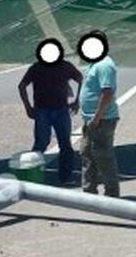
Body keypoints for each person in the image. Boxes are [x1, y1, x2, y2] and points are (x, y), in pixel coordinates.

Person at [17, 38, 83, 186]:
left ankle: (62, 176)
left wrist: (78, 100)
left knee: (57, 144)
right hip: (46, 110)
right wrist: (28, 107)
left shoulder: (63, 66)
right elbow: (21, 86)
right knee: (46, 143)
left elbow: (81, 79)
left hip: (56, 110)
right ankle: (38, 175)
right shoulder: (38, 67)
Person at [76, 31, 121, 198]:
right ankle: (89, 193)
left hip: (102, 120)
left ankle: (112, 195)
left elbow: (107, 92)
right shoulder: (93, 64)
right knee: (87, 154)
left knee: (103, 157)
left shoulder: (104, 65)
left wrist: (97, 117)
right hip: (91, 120)